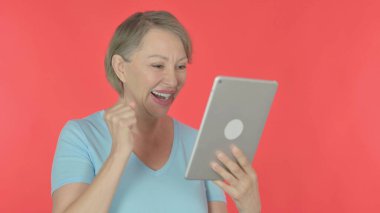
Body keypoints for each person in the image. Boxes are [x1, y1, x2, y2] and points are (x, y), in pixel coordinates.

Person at [51, 11, 261, 213]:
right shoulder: (81, 136)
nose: (172, 81)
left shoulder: (199, 143)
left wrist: (250, 208)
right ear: (120, 68)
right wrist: (118, 155)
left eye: (180, 66)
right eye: (158, 65)